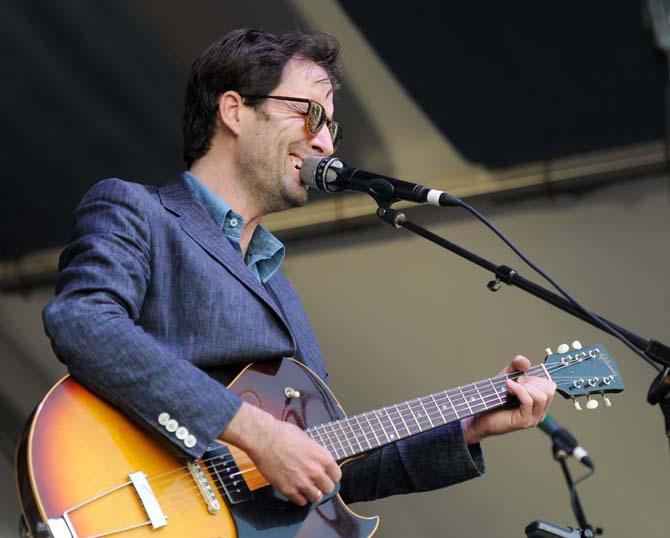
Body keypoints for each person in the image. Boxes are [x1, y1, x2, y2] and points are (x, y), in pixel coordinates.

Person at [42, 28, 555, 511]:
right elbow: (85, 322)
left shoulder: (280, 290)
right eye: (310, 114)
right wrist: (255, 432)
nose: (327, 144)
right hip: (124, 500)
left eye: (330, 125)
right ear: (234, 111)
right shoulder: (138, 210)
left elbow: (330, 467)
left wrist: (467, 426)